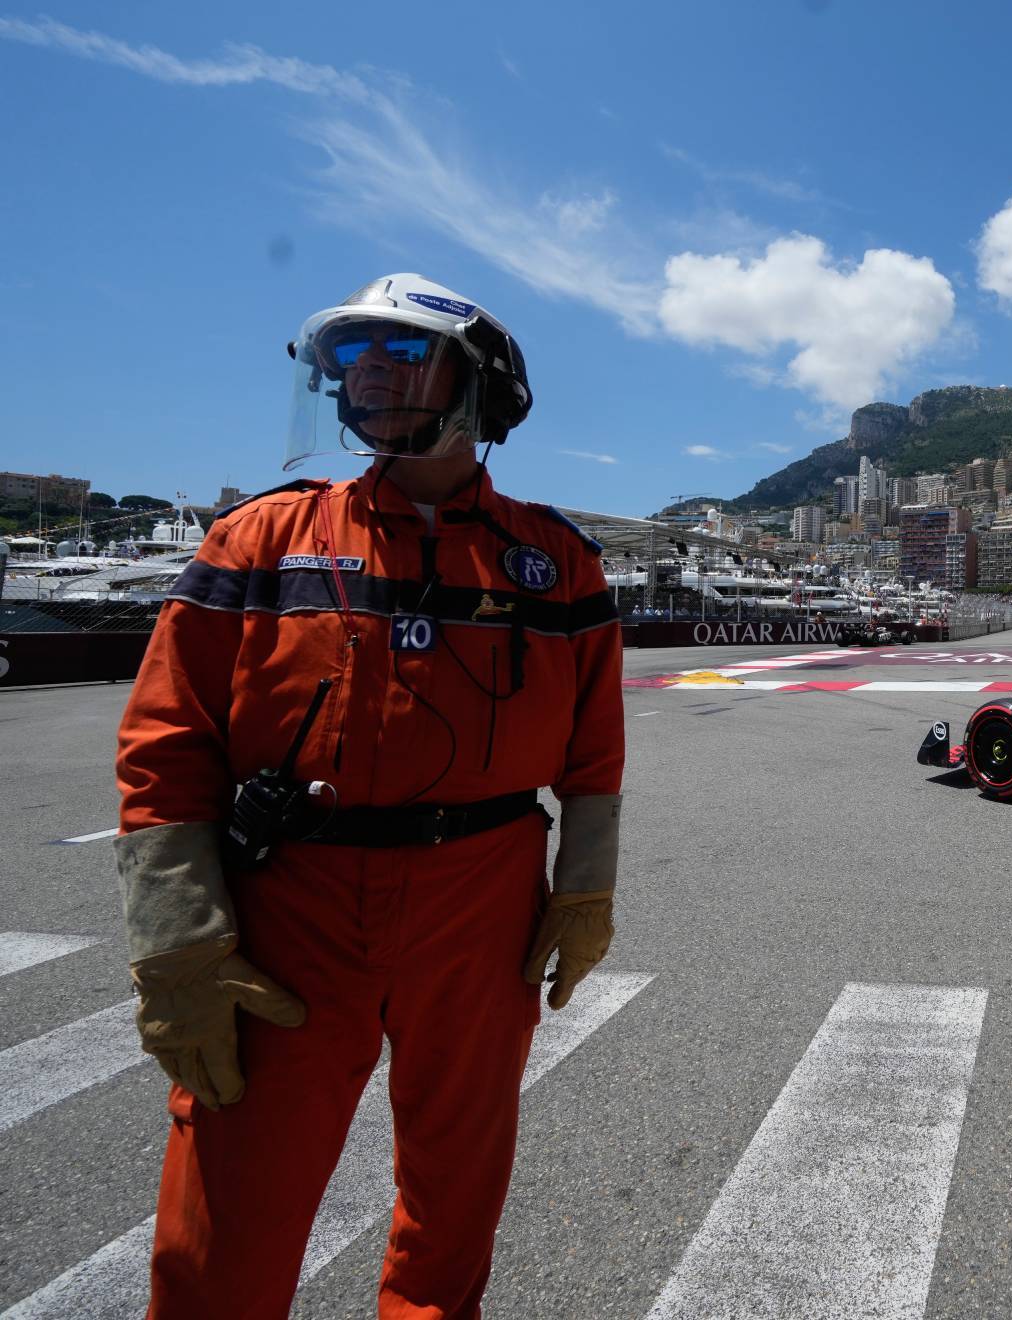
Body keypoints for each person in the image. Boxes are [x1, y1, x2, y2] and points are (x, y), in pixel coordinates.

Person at [114, 274, 625, 1318]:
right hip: (288, 901)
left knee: (457, 1195)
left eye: (401, 351)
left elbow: (593, 757)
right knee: (229, 1205)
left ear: (479, 388)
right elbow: (165, 743)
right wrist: (177, 939)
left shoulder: (559, 565)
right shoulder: (255, 540)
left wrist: (584, 892)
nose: (369, 373)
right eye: (354, 357)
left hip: (483, 906)